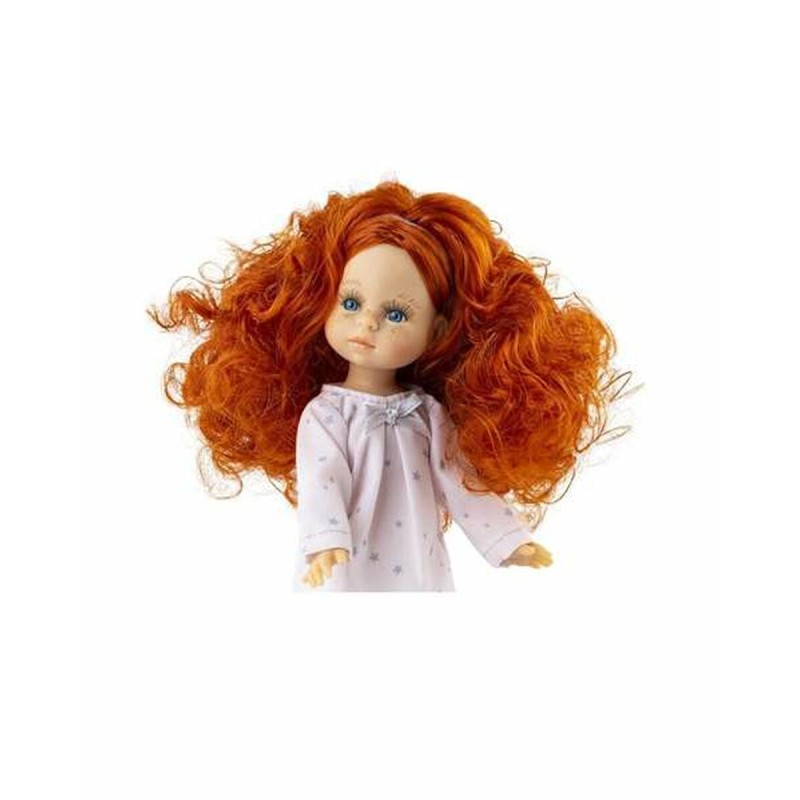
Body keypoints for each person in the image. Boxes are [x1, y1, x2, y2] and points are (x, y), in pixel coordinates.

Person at [148, 180, 633, 591]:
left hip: (418, 560)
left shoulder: (427, 414)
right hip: (345, 556)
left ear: (437, 332)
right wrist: (326, 542)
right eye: (351, 303)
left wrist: (508, 541)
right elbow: (322, 479)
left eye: (397, 313)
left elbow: (458, 480)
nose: (368, 323)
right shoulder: (326, 414)